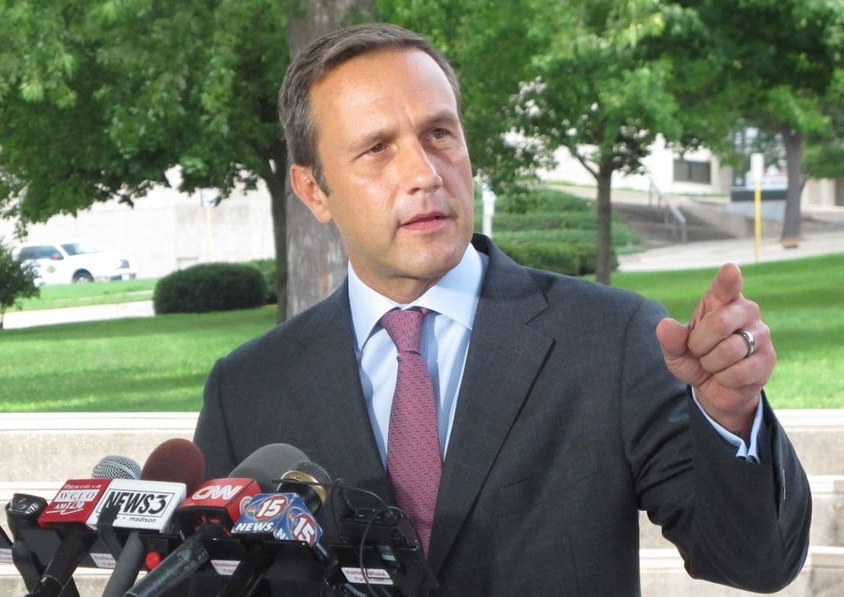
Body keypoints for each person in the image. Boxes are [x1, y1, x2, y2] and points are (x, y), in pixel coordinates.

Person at [193, 22, 810, 596]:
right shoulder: (247, 390)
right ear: (313, 190)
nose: (424, 173)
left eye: (438, 133)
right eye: (378, 148)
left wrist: (730, 416)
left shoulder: (611, 338)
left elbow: (755, 561)